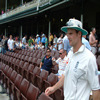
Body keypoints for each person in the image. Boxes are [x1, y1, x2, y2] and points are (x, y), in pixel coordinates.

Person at [45, 18, 100, 100]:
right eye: (67, 34)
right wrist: (54, 88)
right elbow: (66, 74)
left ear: (79, 34)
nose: (67, 37)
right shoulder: (70, 53)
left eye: (71, 33)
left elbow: (96, 90)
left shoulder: (89, 58)